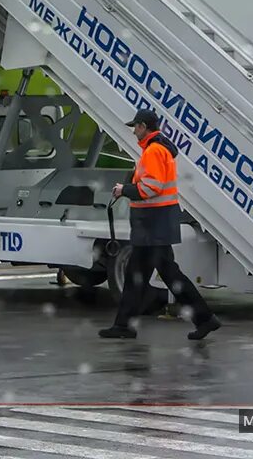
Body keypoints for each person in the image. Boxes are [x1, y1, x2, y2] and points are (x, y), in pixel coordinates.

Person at [99, 108, 221, 341]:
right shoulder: (158, 150)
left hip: (153, 225)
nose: (134, 131)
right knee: (137, 275)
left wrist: (124, 190)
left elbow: (150, 188)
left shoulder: (153, 152)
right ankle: (124, 325)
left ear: (144, 126)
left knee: (169, 276)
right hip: (154, 224)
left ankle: (205, 319)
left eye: (135, 127)